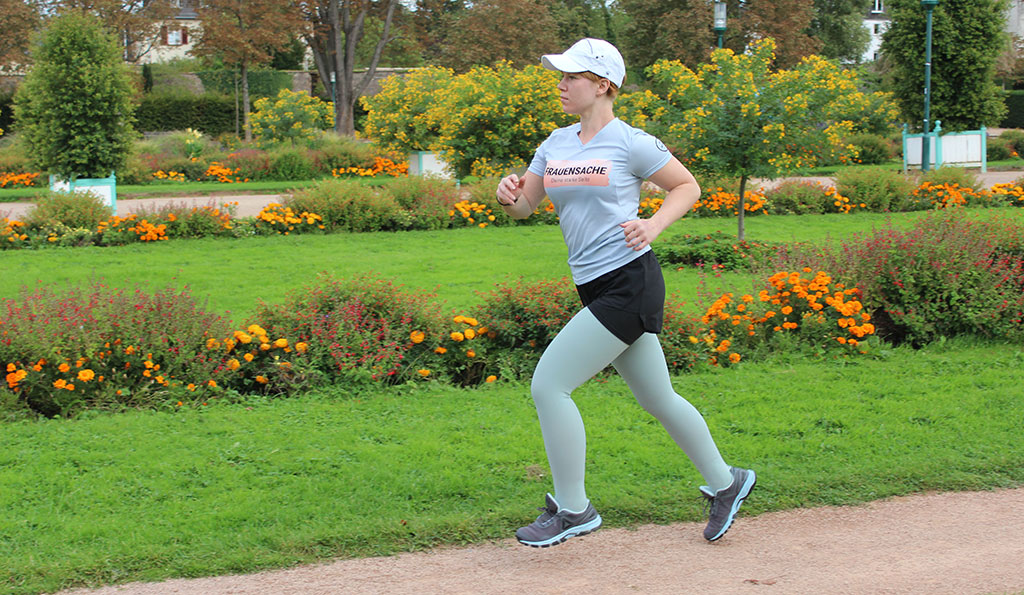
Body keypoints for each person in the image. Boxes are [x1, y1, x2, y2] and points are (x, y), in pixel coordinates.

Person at [495, 38, 756, 548]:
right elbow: (526, 205)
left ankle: (574, 509)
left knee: (549, 385)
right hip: (591, 285)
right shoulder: (555, 143)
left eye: (572, 77)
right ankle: (728, 483)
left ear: (603, 85)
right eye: (561, 76)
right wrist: (508, 197)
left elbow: (687, 186)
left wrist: (654, 225)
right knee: (658, 397)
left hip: (629, 282)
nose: (562, 84)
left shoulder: (631, 142)